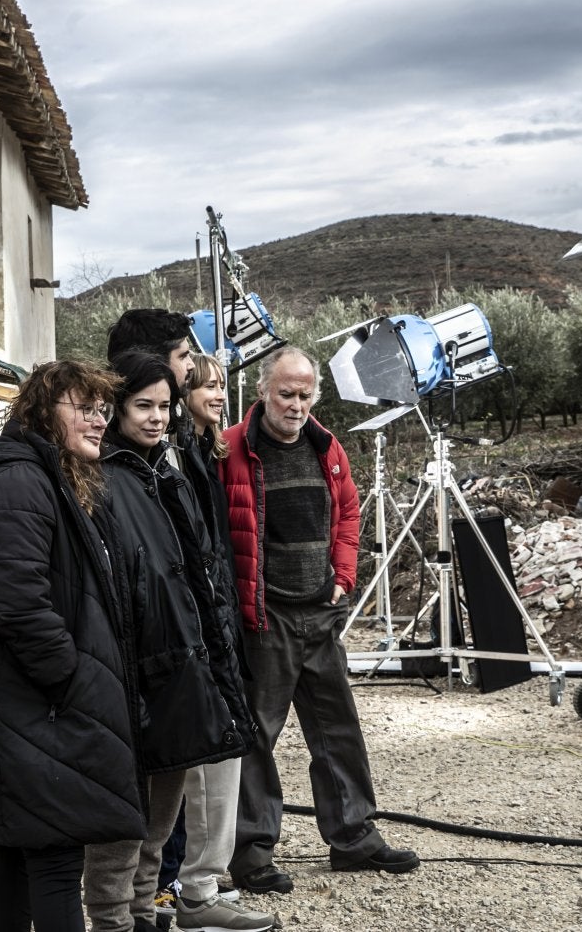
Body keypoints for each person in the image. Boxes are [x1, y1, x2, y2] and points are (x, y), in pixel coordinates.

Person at [0, 360, 143, 932]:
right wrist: (71, 679)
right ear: (44, 413)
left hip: (22, 706)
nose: (98, 421)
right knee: (57, 854)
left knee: (22, 850)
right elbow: (18, 604)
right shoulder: (22, 482)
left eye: (102, 410)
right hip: (30, 706)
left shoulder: (42, 477)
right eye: (83, 408)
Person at [222, 346, 419, 895]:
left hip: (320, 611)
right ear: (263, 391)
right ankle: (251, 852)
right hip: (267, 618)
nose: (296, 404)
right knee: (258, 735)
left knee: (337, 728)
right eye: (286, 393)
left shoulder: (328, 447)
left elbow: (349, 513)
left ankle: (353, 838)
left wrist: (344, 575)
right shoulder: (231, 449)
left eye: (305, 394)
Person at [83, 352, 257, 932]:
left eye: (164, 405)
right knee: (124, 823)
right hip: (137, 673)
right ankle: (114, 922)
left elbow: (199, 572)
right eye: (143, 406)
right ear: (116, 409)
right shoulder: (102, 479)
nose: (157, 417)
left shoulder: (168, 475)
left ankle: (143, 914)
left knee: (160, 822)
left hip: (181, 667)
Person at [170, 353, 272, 932]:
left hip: (221, 620)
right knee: (209, 762)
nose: (218, 395)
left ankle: (197, 883)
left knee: (223, 756)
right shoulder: (186, 456)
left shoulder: (210, 453)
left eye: (221, 386)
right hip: (203, 627)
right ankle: (195, 889)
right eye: (206, 384)